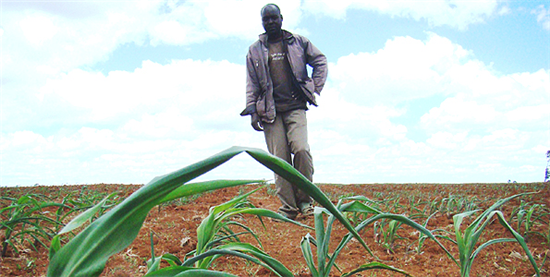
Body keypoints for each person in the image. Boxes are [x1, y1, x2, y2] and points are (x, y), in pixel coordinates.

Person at [240, 3, 328, 220]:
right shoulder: (255, 50)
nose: (270, 22)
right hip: (270, 112)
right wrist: (252, 110)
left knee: (301, 150)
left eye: (274, 18)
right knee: (279, 160)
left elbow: (320, 61)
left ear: (281, 18)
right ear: (262, 22)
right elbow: (251, 82)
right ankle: (288, 207)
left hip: (296, 107)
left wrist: (313, 87)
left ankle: (306, 201)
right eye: (266, 19)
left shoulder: (298, 42)